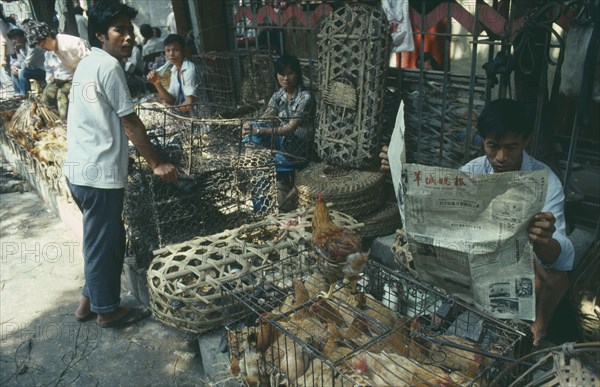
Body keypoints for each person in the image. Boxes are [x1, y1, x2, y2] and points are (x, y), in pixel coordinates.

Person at [380, 99, 574, 347]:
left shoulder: (547, 182)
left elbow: (562, 257)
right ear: (483, 141)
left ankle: (537, 329)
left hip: (522, 267)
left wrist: (544, 240)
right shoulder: (472, 171)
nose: (501, 157)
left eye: (511, 147)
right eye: (492, 146)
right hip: (478, 260)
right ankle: (455, 307)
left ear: (526, 141)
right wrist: (398, 176)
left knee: (554, 277)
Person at [62, 1, 179, 328]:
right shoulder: (109, 67)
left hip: (80, 172)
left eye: (130, 30)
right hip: (98, 175)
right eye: (119, 31)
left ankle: (88, 303)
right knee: (108, 243)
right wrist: (157, 163)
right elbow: (131, 124)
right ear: (101, 34)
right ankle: (107, 311)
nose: (128, 37)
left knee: (99, 241)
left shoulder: (88, 63)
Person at [242, 54, 314, 211]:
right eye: (282, 74)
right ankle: (251, 154)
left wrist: (260, 129)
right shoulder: (279, 95)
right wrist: (251, 126)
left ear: (298, 74)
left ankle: (261, 209)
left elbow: (289, 128)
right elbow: (266, 116)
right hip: (282, 143)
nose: (286, 78)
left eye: (290, 73)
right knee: (252, 129)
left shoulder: (305, 97)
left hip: (298, 149)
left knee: (261, 166)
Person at [147, 33, 198, 113]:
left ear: (183, 51)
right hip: (183, 113)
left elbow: (189, 104)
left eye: (175, 50)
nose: (171, 54)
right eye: (168, 50)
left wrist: (171, 109)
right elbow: (170, 100)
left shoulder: (189, 70)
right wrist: (156, 83)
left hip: (196, 116)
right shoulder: (174, 70)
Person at [24, 20, 90, 74]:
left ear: (48, 36)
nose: (43, 48)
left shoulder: (71, 42)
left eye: (43, 45)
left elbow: (90, 62)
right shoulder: (53, 51)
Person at [8, 28, 45, 96]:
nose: (13, 41)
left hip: (43, 71)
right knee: (13, 70)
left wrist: (18, 52)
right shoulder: (21, 46)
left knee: (22, 72)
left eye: (15, 38)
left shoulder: (32, 46)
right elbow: (20, 62)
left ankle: (24, 95)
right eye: (12, 39)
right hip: (32, 70)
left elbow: (26, 64)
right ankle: (18, 93)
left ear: (22, 37)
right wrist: (13, 66)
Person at [42, 50, 72, 120]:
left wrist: (65, 80)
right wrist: (50, 80)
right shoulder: (48, 53)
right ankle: (50, 119)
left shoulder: (66, 50)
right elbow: (48, 71)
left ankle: (63, 120)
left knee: (61, 94)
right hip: (56, 81)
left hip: (70, 81)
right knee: (46, 93)